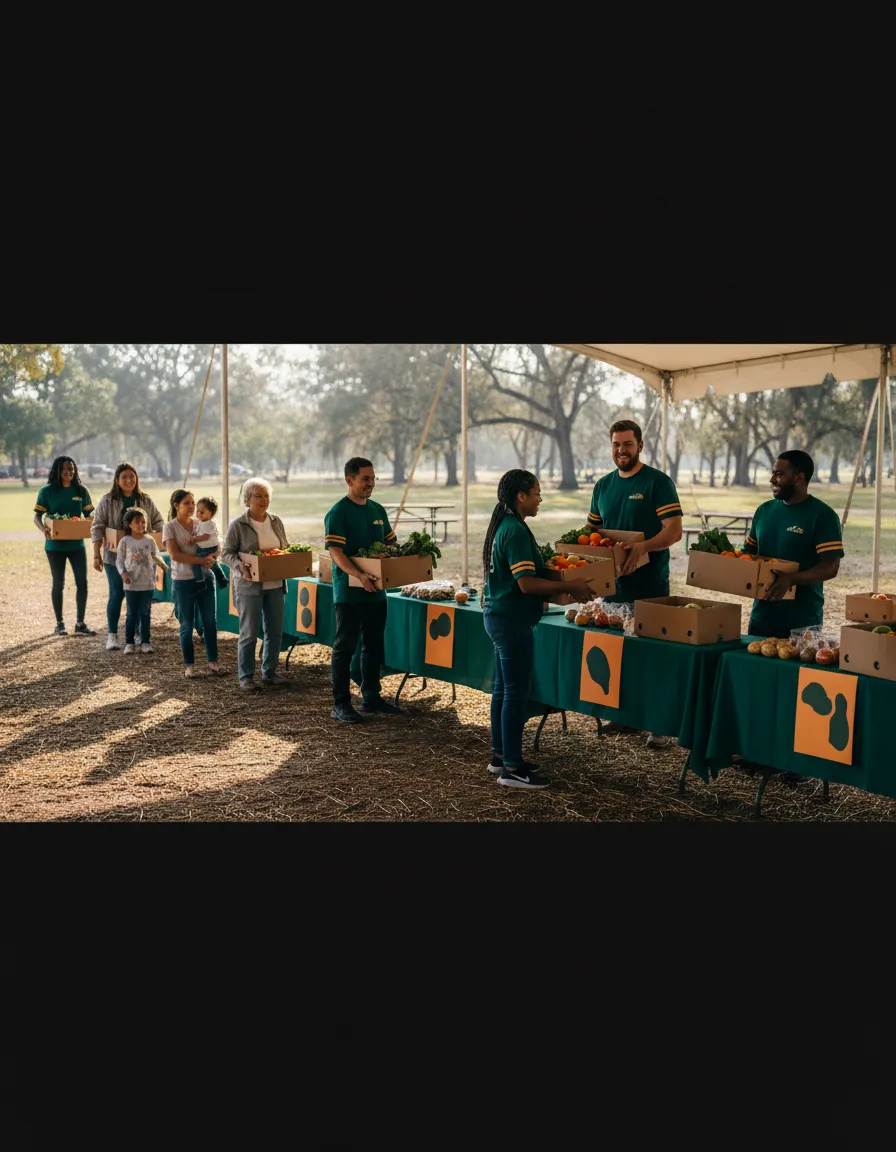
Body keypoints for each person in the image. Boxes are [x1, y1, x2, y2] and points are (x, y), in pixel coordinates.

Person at [483, 470, 594, 790]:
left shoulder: (505, 525)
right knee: (515, 694)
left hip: (499, 617)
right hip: (511, 620)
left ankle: (500, 757)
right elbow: (526, 583)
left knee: (503, 691)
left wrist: (565, 580)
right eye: (536, 493)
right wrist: (570, 584)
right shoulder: (514, 531)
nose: (540, 499)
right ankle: (513, 769)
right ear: (521, 497)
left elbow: (531, 573)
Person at [586, 420, 683, 748]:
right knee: (618, 654)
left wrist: (643, 546)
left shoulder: (658, 483)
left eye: (627, 444)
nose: (621, 451)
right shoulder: (602, 486)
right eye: (616, 444)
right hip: (613, 588)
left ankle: (659, 725)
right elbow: (592, 534)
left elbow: (673, 531)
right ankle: (625, 717)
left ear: (640, 446)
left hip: (650, 586)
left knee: (651, 656)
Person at [324, 457, 403, 724]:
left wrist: (392, 557)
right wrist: (359, 574)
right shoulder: (338, 512)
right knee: (344, 647)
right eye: (365, 479)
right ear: (350, 480)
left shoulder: (378, 511)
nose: (371, 484)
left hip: (377, 592)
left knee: (374, 644)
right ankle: (341, 703)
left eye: (373, 478)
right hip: (349, 593)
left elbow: (391, 545)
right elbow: (336, 552)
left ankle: (371, 697)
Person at [744, 450, 844, 638]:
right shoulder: (763, 511)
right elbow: (748, 554)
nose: (772, 480)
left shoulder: (823, 516)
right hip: (761, 618)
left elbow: (831, 567)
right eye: (773, 473)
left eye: (779, 474)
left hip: (802, 622)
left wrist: (791, 578)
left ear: (798, 478)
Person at [221, 477, 291, 691]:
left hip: (276, 584)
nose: (264, 500)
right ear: (247, 499)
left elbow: (284, 548)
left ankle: (269, 672)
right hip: (249, 586)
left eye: (266, 496)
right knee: (249, 632)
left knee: (275, 631)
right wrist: (240, 565)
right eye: (258, 496)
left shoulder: (276, 521)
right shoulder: (239, 524)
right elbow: (226, 553)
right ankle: (246, 677)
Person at [91, 462, 165, 651]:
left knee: (141, 598)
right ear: (117, 480)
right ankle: (112, 635)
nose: (129, 480)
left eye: (132, 476)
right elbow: (97, 526)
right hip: (114, 558)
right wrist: (96, 555)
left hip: (141, 561)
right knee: (116, 594)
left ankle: (139, 635)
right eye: (124, 477)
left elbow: (158, 521)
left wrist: (154, 536)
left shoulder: (145, 500)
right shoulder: (107, 500)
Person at [164, 489, 225, 679]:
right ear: (176, 506)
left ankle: (213, 661)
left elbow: (218, 544)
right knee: (186, 624)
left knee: (209, 622)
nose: (191, 507)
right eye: (186, 503)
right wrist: (201, 561)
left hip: (206, 579)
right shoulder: (170, 527)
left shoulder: (202, 522)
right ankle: (189, 665)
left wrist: (213, 557)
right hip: (182, 582)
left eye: (193, 502)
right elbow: (175, 555)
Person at [33, 456, 96, 636]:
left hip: (77, 545)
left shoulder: (81, 491)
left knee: (82, 582)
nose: (69, 472)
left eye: (72, 469)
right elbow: (37, 516)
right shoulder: (47, 491)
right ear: (57, 471)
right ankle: (59, 623)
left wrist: (89, 521)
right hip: (54, 547)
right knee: (58, 583)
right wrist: (43, 528)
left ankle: (80, 623)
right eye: (65, 469)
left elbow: (89, 513)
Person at [116, 508, 169, 654]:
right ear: (129, 524)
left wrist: (164, 566)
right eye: (137, 522)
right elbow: (119, 561)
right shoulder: (125, 541)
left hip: (147, 584)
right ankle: (129, 643)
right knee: (131, 614)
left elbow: (155, 555)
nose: (141, 525)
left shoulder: (150, 540)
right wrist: (124, 574)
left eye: (143, 522)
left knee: (145, 613)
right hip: (131, 584)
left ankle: (146, 642)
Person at [188, 496, 228, 589]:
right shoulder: (201, 522)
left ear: (211, 513)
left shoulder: (208, 524)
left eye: (202, 512)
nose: (198, 514)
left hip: (207, 548)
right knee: (213, 565)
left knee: (195, 563)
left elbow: (206, 536)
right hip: (208, 547)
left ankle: (200, 581)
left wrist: (194, 539)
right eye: (197, 511)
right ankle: (222, 579)